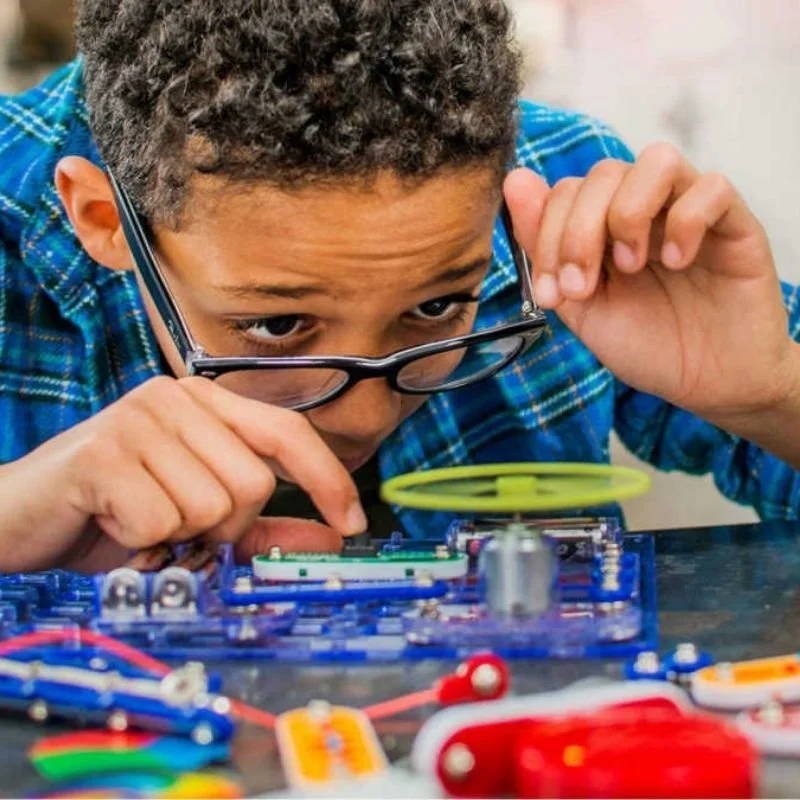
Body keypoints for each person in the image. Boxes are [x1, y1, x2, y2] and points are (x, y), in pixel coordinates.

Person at [0, 0, 798, 574]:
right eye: (277, 325)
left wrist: (770, 390)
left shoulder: (562, 204)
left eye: (438, 305)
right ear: (105, 220)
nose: (364, 413)